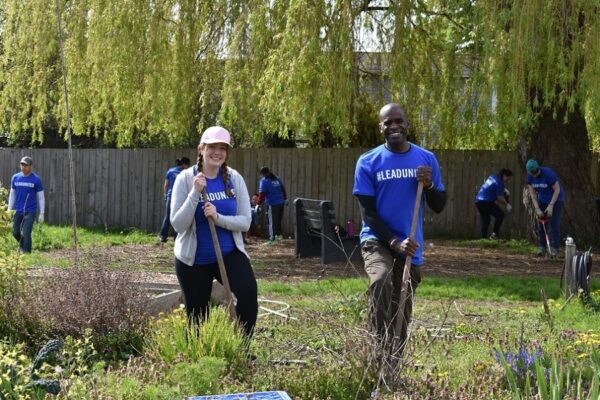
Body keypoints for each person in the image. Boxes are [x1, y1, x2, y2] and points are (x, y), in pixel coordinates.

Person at [353, 103, 447, 373]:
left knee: (402, 304)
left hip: (411, 245)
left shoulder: (426, 158)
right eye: (387, 123)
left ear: (407, 124)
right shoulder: (368, 161)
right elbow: (367, 213)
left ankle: (392, 365)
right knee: (380, 280)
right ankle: (376, 352)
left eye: (398, 121)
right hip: (378, 240)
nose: (393, 126)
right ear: (380, 127)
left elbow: (439, 205)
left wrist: (429, 186)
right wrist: (393, 241)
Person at [170, 126, 258, 339]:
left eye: (222, 148)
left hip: (229, 254)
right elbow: (178, 225)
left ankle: (242, 348)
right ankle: (199, 359)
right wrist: (195, 193)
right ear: (201, 148)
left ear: (227, 153)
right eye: (212, 147)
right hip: (193, 259)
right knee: (198, 314)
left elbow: (246, 222)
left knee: (248, 294)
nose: (217, 152)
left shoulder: (233, 178)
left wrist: (219, 219)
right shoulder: (185, 178)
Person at [525, 159, 564, 258]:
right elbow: (533, 194)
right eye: (532, 172)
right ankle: (542, 247)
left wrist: (551, 205)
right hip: (542, 200)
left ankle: (554, 249)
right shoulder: (529, 178)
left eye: (536, 171)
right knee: (542, 223)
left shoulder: (548, 174)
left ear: (538, 168)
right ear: (529, 172)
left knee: (554, 223)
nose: (535, 174)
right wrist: (537, 208)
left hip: (556, 199)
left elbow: (557, 189)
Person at [8, 156, 45, 253]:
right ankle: (24, 246)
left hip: (30, 211)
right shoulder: (15, 177)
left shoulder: (36, 179)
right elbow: (12, 194)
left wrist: (42, 213)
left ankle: (27, 253)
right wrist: (9, 209)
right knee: (15, 232)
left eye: (25, 165)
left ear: (31, 166)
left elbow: (41, 197)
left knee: (26, 232)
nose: (23, 167)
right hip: (18, 210)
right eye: (22, 164)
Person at [158, 157, 191, 242]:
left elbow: (166, 185)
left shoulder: (170, 171)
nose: (188, 167)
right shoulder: (185, 173)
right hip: (181, 197)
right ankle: (177, 238)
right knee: (179, 216)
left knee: (168, 216)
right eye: (188, 165)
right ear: (184, 164)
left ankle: (163, 236)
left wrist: (165, 195)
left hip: (170, 196)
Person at [474, 168, 513, 240]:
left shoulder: (493, 177)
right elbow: (499, 197)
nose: (508, 180)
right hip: (485, 202)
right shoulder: (499, 183)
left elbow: (494, 190)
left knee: (486, 219)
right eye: (508, 178)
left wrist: (504, 190)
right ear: (504, 175)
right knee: (500, 215)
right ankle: (494, 235)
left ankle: (484, 238)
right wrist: (507, 204)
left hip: (478, 201)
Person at [257, 166, 287, 242]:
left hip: (272, 204)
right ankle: (279, 237)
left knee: (271, 222)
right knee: (278, 221)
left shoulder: (264, 181)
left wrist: (258, 203)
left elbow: (262, 194)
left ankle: (271, 239)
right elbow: (283, 189)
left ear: (263, 174)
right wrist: (285, 199)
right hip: (281, 203)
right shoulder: (277, 178)